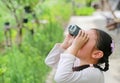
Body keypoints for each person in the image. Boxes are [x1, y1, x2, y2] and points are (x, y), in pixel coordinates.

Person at [45, 28, 114, 83]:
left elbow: (60, 78)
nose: (78, 40)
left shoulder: (95, 74)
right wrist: (64, 46)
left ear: (96, 54)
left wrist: (74, 47)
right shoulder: (77, 62)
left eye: (85, 39)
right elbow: (51, 61)